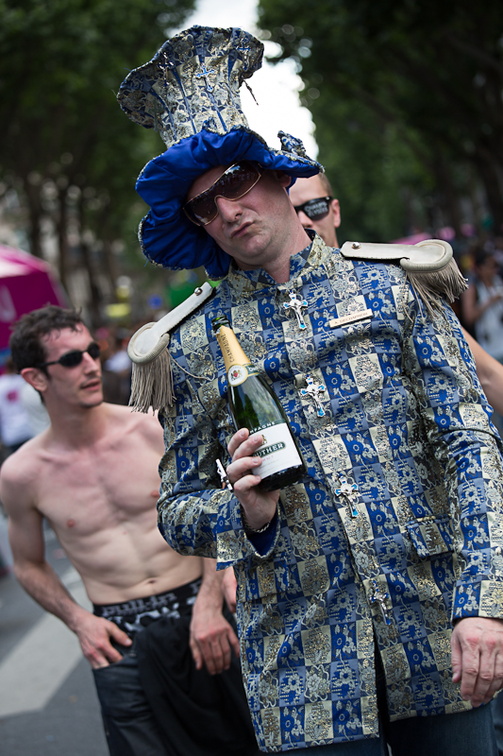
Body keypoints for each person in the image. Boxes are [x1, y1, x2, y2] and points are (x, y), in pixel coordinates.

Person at [117, 26, 503, 755]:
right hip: (302, 663)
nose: (226, 209)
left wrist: (483, 604)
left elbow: (470, 445)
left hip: (435, 623)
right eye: (203, 204)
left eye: (234, 182)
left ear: (275, 177)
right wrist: (246, 511)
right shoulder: (189, 344)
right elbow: (175, 513)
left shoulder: (393, 286)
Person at [0, 305, 258, 756]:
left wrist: (210, 600)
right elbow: (27, 564)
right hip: (119, 639)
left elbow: (211, 511)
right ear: (36, 378)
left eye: (91, 351)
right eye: (70, 360)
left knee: (244, 744)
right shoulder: (23, 474)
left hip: (200, 614)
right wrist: (80, 623)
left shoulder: (150, 431)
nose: (89, 365)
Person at [290, 175, 503, 429]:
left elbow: (486, 374)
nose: (304, 220)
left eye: (314, 207)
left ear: (334, 212)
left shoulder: (391, 280)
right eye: (291, 212)